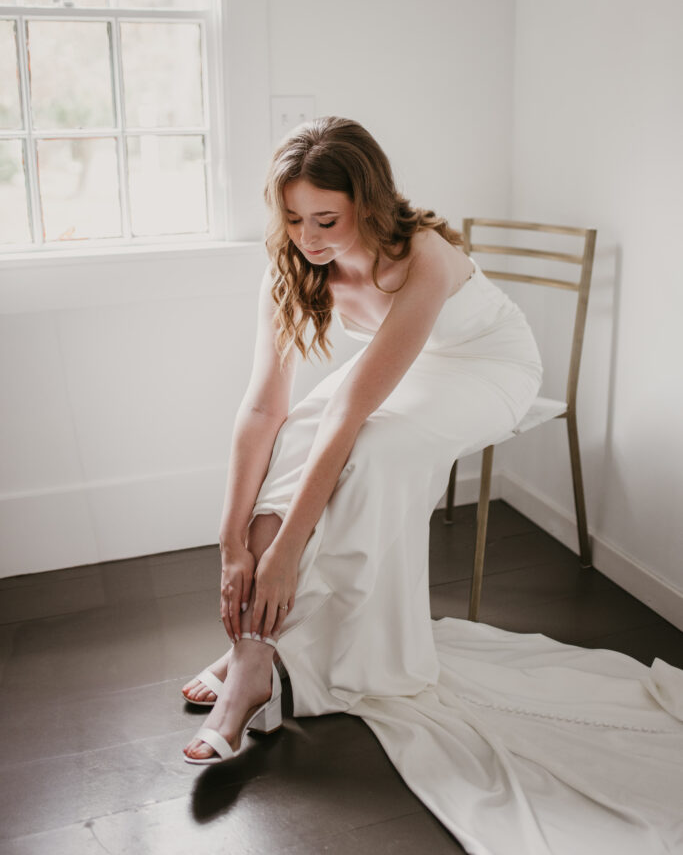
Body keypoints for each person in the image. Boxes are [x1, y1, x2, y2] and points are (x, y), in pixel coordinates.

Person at [181, 118, 683, 854]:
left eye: (327, 219)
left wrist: (287, 552)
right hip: (407, 365)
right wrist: (231, 545)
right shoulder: (290, 267)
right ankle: (256, 653)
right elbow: (262, 407)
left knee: (369, 451)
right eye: (292, 218)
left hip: (487, 369)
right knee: (294, 438)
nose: (309, 237)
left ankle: (253, 654)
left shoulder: (421, 256)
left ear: (368, 201)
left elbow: (354, 414)